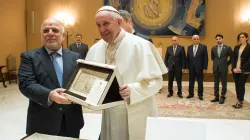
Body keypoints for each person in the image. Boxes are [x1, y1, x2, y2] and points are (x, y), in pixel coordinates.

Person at [86, 6, 167, 140]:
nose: (101, 30)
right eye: (98, 25)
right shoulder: (96, 48)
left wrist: (133, 90)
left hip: (135, 108)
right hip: (109, 111)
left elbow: (157, 81)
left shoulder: (140, 45)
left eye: (106, 24)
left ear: (119, 22)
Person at [18, 18, 84, 138]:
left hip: (71, 120)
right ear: (41, 36)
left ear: (63, 36)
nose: (50, 33)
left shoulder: (75, 57)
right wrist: (50, 95)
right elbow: (26, 84)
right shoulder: (29, 57)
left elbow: (81, 82)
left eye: (55, 30)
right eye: (45, 30)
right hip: (42, 121)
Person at [211, 34, 232, 104]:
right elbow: (212, 58)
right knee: (216, 83)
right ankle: (216, 97)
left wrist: (226, 64)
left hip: (224, 68)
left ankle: (222, 97)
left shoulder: (228, 48)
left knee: (224, 83)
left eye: (219, 39)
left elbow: (231, 58)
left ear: (222, 39)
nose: (218, 40)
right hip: (216, 68)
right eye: (217, 39)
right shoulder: (213, 48)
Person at [186, 35, 208, 100]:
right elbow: (188, 58)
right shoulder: (189, 47)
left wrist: (205, 68)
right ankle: (191, 94)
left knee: (200, 82)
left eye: (197, 39)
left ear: (199, 40)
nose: (196, 40)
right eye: (194, 39)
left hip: (200, 68)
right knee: (191, 82)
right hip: (191, 68)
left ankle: (200, 95)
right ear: (192, 40)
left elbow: (205, 58)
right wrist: (187, 67)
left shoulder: (203, 47)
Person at [231, 32, 250, 109]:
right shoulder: (236, 47)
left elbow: (249, 60)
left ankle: (240, 101)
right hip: (235, 69)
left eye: (242, 37)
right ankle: (239, 100)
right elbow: (233, 58)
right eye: (240, 37)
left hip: (244, 70)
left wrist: (241, 68)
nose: (241, 38)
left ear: (247, 38)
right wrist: (233, 68)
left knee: (241, 85)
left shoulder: (249, 47)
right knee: (237, 85)